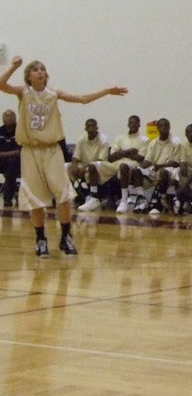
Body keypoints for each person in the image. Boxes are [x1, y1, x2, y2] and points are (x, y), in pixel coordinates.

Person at [0, 56, 127, 257]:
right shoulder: (23, 93)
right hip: (30, 151)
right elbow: (1, 84)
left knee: (63, 195)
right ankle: (40, 239)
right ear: (29, 76)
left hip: (52, 149)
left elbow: (82, 99)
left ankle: (66, 236)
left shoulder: (53, 94)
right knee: (35, 199)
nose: (40, 71)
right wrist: (14, 66)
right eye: (35, 69)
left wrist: (106, 92)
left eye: (42, 68)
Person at [131, 117, 181, 215]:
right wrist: (139, 166)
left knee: (163, 172)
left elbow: (175, 163)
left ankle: (160, 200)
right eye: (161, 126)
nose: (164, 128)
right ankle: (142, 200)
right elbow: (147, 161)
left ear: (170, 127)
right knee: (136, 170)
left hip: (170, 169)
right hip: (155, 168)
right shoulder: (153, 143)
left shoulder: (176, 141)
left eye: (166, 125)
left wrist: (160, 166)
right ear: (157, 128)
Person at [69, 118, 118, 212]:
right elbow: (76, 156)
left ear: (97, 127)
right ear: (85, 128)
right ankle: (71, 197)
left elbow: (101, 159)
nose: (91, 128)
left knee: (93, 165)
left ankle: (94, 198)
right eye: (89, 126)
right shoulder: (81, 139)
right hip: (84, 165)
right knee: (67, 167)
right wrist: (74, 165)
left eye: (93, 126)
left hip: (101, 166)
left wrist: (86, 165)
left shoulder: (103, 139)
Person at [108, 115, 149, 213]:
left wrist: (122, 153)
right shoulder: (119, 138)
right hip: (115, 164)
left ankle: (124, 200)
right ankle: (93, 197)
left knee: (124, 166)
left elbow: (140, 158)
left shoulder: (144, 140)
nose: (133, 125)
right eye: (131, 122)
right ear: (128, 124)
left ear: (139, 125)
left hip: (133, 165)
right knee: (95, 166)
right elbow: (111, 157)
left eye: (135, 123)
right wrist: (129, 151)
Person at [0, 109, 21, 207]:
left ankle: (7, 198)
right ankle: (15, 193)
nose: (8, 119)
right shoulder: (0, 132)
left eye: (10, 116)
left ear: (15, 118)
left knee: (11, 163)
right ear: (3, 119)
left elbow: (20, 152)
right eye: (6, 117)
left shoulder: (20, 131)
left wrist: (5, 154)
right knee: (10, 163)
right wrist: (11, 153)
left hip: (19, 162)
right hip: (2, 162)